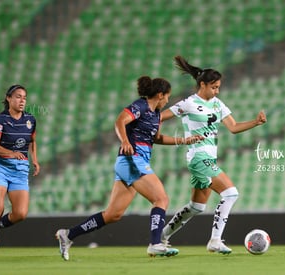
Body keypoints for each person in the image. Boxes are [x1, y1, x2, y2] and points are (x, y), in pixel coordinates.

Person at [55, 76, 203, 260]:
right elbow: (120, 121)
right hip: (132, 160)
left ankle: (68, 235)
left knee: (113, 214)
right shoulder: (140, 106)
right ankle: (156, 244)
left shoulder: (156, 114)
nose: (167, 101)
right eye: (167, 97)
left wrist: (183, 140)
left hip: (132, 163)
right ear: (160, 94)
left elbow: (156, 139)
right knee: (161, 199)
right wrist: (125, 140)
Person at [160, 56, 267, 254]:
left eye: (218, 87)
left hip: (209, 159)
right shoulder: (189, 103)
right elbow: (159, 117)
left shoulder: (217, 104)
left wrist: (255, 122)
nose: (217, 91)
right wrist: (150, 133)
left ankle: (162, 237)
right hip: (199, 158)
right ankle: (215, 241)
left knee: (196, 207)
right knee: (231, 193)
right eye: (214, 87)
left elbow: (233, 127)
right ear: (203, 84)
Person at [0, 85, 40, 260]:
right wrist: (11, 153)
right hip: (0, 167)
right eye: (18, 97)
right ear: (9, 98)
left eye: (24, 98)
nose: (22, 101)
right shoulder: (1, 119)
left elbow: (32, 141)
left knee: (20, 214)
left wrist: (35, 159)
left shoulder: (30, 119)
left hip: (20, 170)